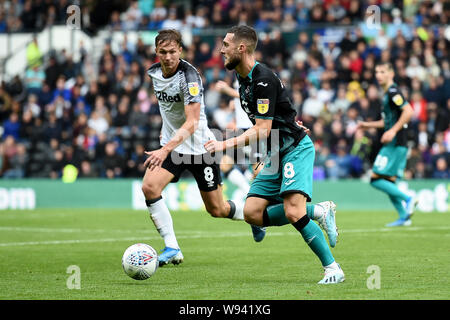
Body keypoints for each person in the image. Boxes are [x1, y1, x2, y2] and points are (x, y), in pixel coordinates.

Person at [204, 25, 344, 284]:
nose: (221, 49)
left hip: (294, 150)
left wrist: (222, 144)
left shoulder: (263, 78)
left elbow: (263, 127)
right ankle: (319, 211)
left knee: (293, 212)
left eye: (226, 44)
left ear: (241, 48)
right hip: (275, 151)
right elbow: (269, 110)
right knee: (252, 212)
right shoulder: (243, 77)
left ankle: (333, 268)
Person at [141, 29, 265, 267]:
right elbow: (169, 110)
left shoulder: (190, 77)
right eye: (162, 52)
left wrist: (164, 148)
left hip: (200, 149)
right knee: (149, 187)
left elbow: (192, 122)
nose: (167, 57)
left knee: (217, 209)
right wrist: (164, 131)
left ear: (180, 51)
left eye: (172, 52)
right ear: (156, 52)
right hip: (174, 147)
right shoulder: (154, 73)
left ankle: (253, 217)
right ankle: (172, 247)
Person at [357, 62, 418, 227]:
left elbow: (408, 111)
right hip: (395, 144)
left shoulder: (393, 92)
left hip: (395, 143)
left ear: (391, 74)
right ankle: (404, 217)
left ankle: (408, 199)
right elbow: (387, 121)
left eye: (382, 71)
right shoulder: (386, 94)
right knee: (388, 182)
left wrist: (392, 132)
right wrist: (367, 125)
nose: (378, 75)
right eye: (377, 71)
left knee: (375, 179)